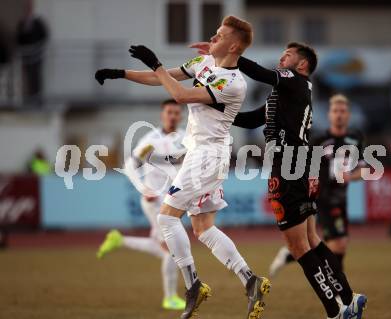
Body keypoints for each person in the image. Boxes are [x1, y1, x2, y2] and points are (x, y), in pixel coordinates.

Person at [95, 16, 271, 319]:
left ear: (234, 45)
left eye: (219, 35)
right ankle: (251, 280)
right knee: (203, 228)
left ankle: (193, 286)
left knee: (166, 218)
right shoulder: (203, 62)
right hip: (202, 154)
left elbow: (181, 94)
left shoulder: (232, 82)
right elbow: (163, 79)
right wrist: (121, 73)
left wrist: (157, 64)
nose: (212, 38)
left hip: (208, 155)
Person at [190, 42, 366, 319]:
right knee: (311, 239)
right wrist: (218, 110)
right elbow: (251, 120)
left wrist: (222, 54)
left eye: (289, 54)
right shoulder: (286, 92)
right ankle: (347, 297)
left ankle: (335, 311)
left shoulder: (294, 80)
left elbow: (258, 71)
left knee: (297, 246)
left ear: (302, 64)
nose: (282, 56)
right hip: (300, 163)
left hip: (288, 165)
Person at [96, 99, 186, 310]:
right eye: (169, 112)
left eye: (176, 112)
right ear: (162, 115)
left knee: (162, 248)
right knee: (173, 248)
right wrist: (142, 187)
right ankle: (170, 297)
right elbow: (129, 165)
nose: (172, 116)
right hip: (155, 202)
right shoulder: (150, 140)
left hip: (173, 201)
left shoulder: (185, 139)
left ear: (180, 116)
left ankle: (119, 240)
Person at [269, 94, 366, 275]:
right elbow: (305, 168)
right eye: (335, 111)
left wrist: (350, 177)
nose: (339, 115)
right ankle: (339, 293)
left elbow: (363, 170)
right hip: (322, 197)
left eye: (343, 111)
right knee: (338, 244)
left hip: (341, 198)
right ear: (329, 114)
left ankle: (290, 254)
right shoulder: (318, 141)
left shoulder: (355, 139)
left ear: (348, 115)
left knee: (336, 247)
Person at [16, 0, 49, 101]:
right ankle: (27, 99)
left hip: (36, 56)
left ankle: (38, 99)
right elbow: (18, 38)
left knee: (36, 78)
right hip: (26, 56)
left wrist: (38, 47)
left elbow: (44, 36)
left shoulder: (38, 22)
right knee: (26, 78)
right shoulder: (22, 23)